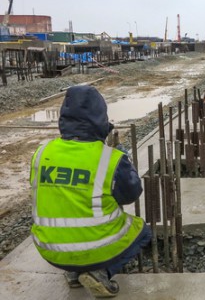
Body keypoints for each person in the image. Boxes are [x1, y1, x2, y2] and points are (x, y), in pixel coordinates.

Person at [29, 85, 151, 298]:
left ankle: (74, 274)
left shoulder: (42, 153)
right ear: (101, 118)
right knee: (142, 231)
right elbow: (132, 193)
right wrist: (123, 159)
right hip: (94, 249)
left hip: (48, 249)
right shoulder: (109, 158)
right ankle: (100, 272)